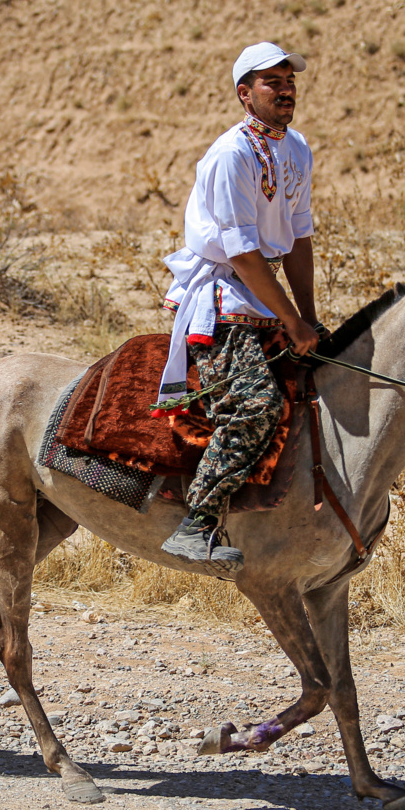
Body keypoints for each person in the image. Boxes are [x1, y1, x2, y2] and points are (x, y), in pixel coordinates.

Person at [157, 43, 321, 571]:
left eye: (288, 79)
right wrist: (291, 319)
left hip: (264, 291)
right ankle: (196, 522)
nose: (286, 87)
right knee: (256, 406)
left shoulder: (296, 149)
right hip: (225, 292)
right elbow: (243, 253)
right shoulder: (231, 154)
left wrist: (308, 315)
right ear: (245, 95)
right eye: (271, 82)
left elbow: (297, 238)